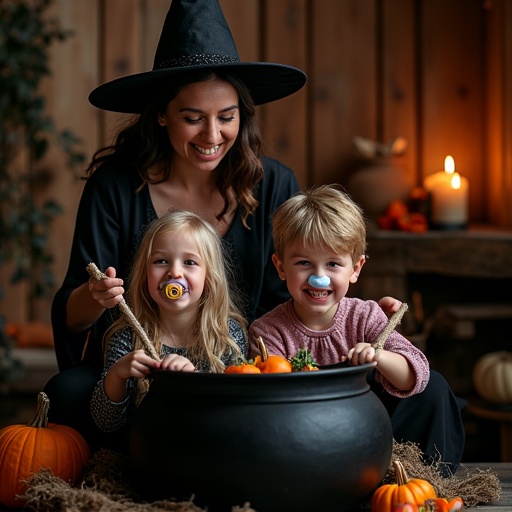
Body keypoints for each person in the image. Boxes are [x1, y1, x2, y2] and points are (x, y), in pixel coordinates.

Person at [44, 0, 399, 446]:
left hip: (261, 366)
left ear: (241, 117)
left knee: (413, 390)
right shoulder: (113, 188)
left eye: (226, 118)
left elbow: (307, 286)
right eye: (192, 119)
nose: (212, 136)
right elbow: (72, 320)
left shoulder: (274, 184)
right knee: (69, 392)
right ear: (161, 115)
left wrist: (357, 316)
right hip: (141, 372)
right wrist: (96, 297)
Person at [248, 185, 465, 475]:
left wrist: (379, 356)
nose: (319, 278)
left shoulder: (364, 316)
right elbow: (269, 409)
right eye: (304, 263)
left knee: (435, 387)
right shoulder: (269, 332)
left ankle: (420, 477)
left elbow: (416, 375)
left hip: (373, 434)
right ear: (280, 267)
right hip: (309, 439)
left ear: (356, 268)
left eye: (333, 264)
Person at [89, 210, 246, 450]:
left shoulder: (226, 336)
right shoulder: (127, 336)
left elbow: (236, 416)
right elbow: (105, 423)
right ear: (145, 275)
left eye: (190, 262)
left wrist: (192, 382)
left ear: (209, 277)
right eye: (161, 261)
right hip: (148, 450)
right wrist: (118, 374)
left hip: (207, 449)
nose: (174, 272)